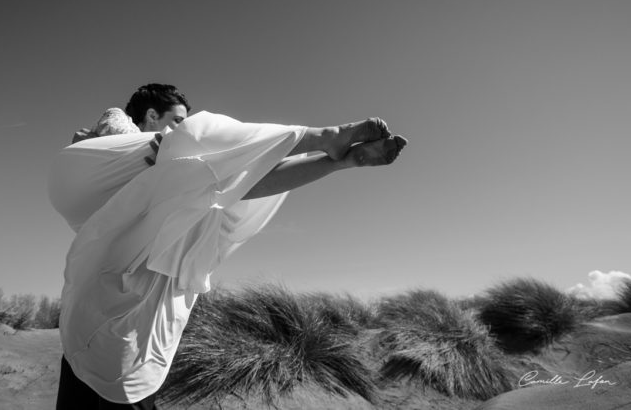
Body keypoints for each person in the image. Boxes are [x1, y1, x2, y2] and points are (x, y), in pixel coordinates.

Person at [49, 84, 407, 409]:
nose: (176, 128)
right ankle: (326, 140)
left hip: (145, 314)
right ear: (149, 117)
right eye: (173, 120)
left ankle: (339, 158)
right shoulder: (121, 146)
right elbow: (112, 133)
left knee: (227, 170)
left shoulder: (179, 166)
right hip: (103, 299)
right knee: (198, 144)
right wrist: (134, 142)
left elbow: (243, 178)